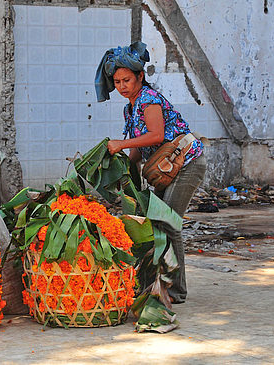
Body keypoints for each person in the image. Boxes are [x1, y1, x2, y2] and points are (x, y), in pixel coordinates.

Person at [94, 41, 206, 304]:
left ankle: (177, 291)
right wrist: (123, 171)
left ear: (140, 77)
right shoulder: (130, 107)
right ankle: (158, 283)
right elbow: (137, 151)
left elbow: (155, 135)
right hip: (165, 169)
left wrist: (121, 144)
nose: (122, 86)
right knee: (155, 223)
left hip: (186, 164)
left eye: (127, 80)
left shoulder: (148, 99)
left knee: (168, 224)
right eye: (118, 81)